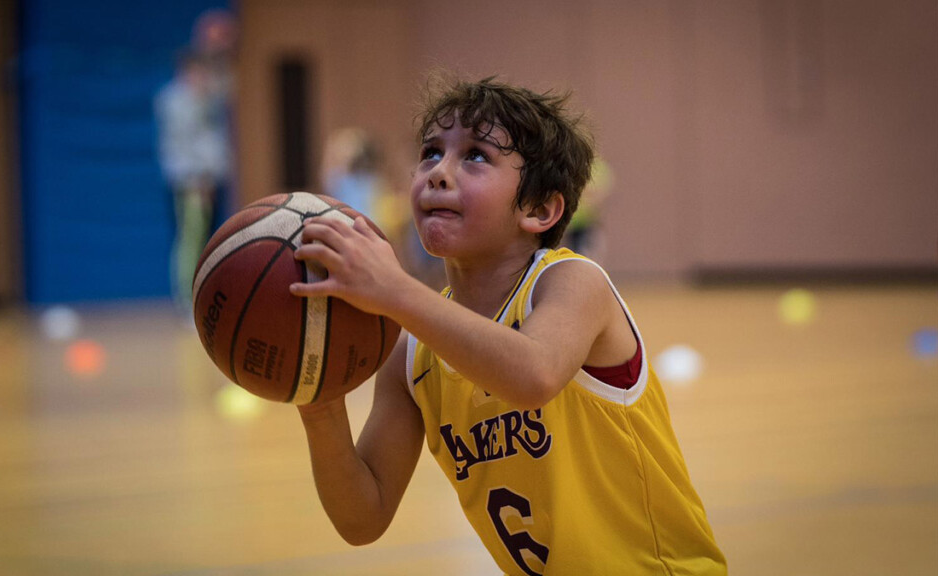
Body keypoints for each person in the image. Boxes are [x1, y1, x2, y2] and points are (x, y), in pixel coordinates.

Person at [289, 77, 727, 575]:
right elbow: (363, 517)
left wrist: (395, 289)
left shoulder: (572, 283)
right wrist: (318, 403)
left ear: (539, 209)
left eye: (475, 156)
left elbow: (533, 375)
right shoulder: (410, 353)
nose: (439, 172)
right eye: (431, 153)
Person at [155, 48, 233, 314]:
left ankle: (208, 295)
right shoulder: (173, 101)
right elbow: (181, 146)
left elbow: (230, 84)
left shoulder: (209, 97)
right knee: (191, 240)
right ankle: (187, 302)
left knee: (212, 240)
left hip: (212, 179)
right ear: (186, 72)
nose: (203, 77)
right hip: (190, 183)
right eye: (198, 72)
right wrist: (197, 178)